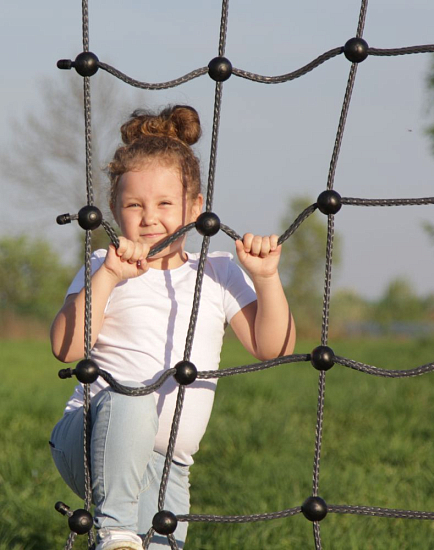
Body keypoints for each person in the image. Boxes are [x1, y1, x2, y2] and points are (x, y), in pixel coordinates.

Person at [49, 105, 296, 550]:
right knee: (135, 398)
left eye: (165, 203)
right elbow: (65, 348)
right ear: (113, 209)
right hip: (89, 437)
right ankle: (115, 531)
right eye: (134, 205)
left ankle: (121, 533)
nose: (149, 217)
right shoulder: (102, 267)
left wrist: (266, 277)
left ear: (196, 208)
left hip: (169, 466)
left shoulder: (217, 273)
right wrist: (106, 277)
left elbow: (272, 346)